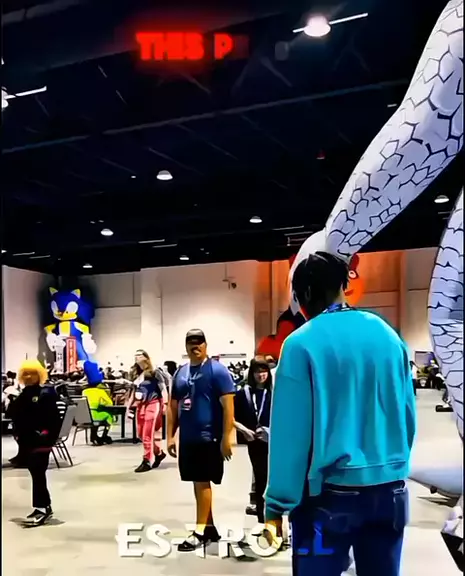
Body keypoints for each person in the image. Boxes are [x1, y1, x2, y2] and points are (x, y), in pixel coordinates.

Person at [265, 252, 416, 576]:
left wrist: (277, 504)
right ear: (342, 286)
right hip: (390, 491)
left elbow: (291, 436)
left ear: (305, 294)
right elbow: (407, 415)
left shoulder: (300, 343)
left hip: (328, 496)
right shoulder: (387, 335)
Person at [167, 329, 235, 551]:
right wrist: (170, 436)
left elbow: (229, 407)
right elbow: (173, 406)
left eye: (199, 343)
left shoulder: (217, 371)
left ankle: (199, 532)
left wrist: (226, 437)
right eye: (191, 343)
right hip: (188, 438)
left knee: (203, 481)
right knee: (197, 482)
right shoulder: (181, 373)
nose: (195, 347)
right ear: (185, 346)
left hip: (209, 437)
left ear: (206, 345)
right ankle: (209, 527)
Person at [7, 360, 61, 526]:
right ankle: (44, 507)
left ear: (40, 375)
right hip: (28, 441)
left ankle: (42, 508)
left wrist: (46, 435)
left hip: (41, 441)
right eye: (26, 374)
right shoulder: (23, 395)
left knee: (38, 473)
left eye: (32, 374)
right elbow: (12, 413)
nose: (29, 377)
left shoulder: (46, 394)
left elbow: (53, 419)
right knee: (36, 473)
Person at [234, 356, 273, 528]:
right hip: (254, 442)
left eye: (264, 371)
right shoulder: (244, 393)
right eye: (257, 371)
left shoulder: (274, 393)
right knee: (260, 476)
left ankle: (272, 516)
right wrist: (244, 430)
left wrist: (270, 433)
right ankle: (261, 518)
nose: (261, 375)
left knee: (273, 478)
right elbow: (230, 416)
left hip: (274, 442)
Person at [129, 350, 167, 473]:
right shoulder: (135, 373)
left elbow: (163, 388)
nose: (137, 357)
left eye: (140, 355)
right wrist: (129, 407)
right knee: (141, 433)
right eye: (136, 355)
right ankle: (158, 453)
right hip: (140, 405)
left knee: (147, 433)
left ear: (146, 357)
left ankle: (147, 460)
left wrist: (165, 404)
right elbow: (133, 392)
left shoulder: (155, 372)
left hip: (153, 403)